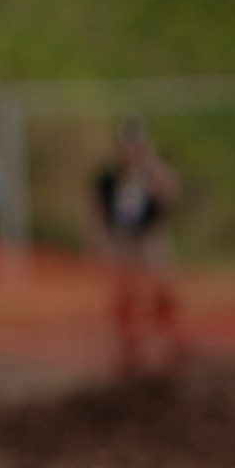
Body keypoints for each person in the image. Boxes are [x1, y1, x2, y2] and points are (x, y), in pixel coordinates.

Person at [87, 117, 180, 370]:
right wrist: (98, 238)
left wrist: (151, 166)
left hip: (149, 232)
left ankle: (165, 333)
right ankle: (126, 338)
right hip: (122, 235)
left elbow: (171, 193)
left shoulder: (150, 171)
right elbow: (96, 206)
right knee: (124, 285)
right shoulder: (109, 175)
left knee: (160, 278)